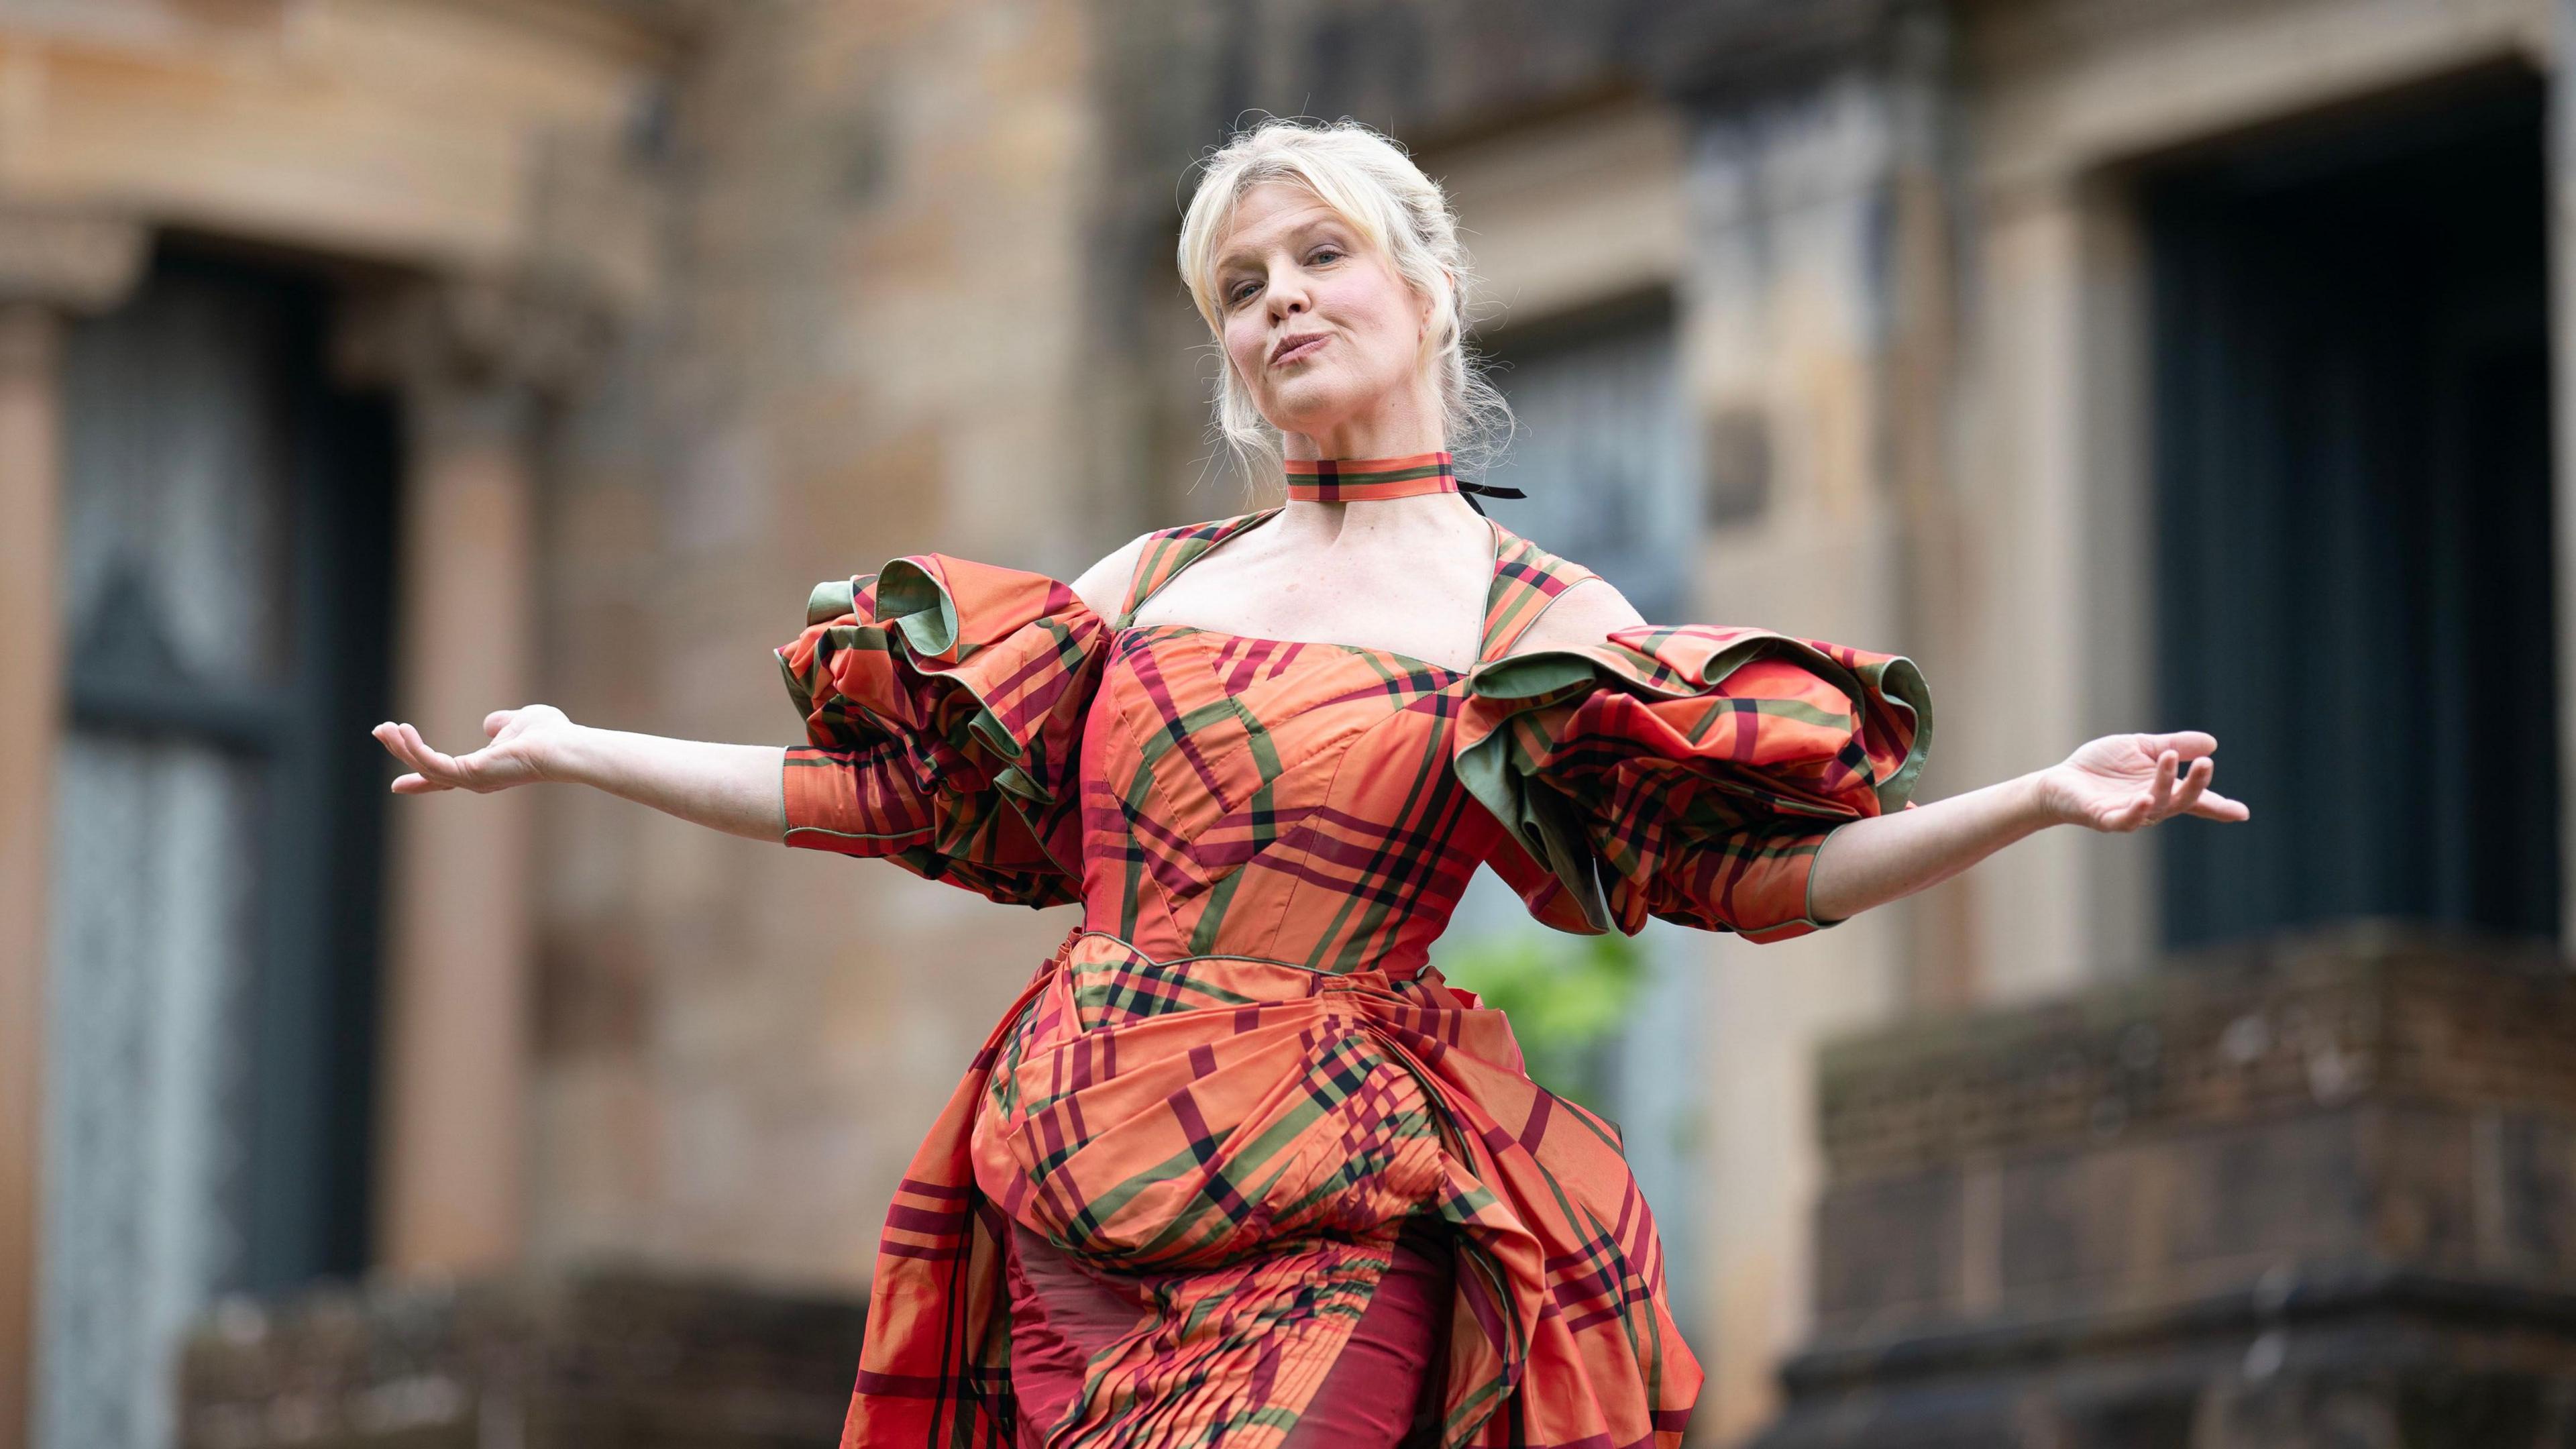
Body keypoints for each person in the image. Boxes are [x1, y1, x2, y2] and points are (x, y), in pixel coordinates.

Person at [372, 117, 2245, 1449]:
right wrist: (570, 753)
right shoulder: (1159, 579)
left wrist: (2034, 801)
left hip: (1330, 1207)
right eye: (1239, 284)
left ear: (1427, 285)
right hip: (1062, 1205)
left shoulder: (1532, 611)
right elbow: (895, 804)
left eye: (1319, 256)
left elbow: (1758, 878)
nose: (1277, 303)